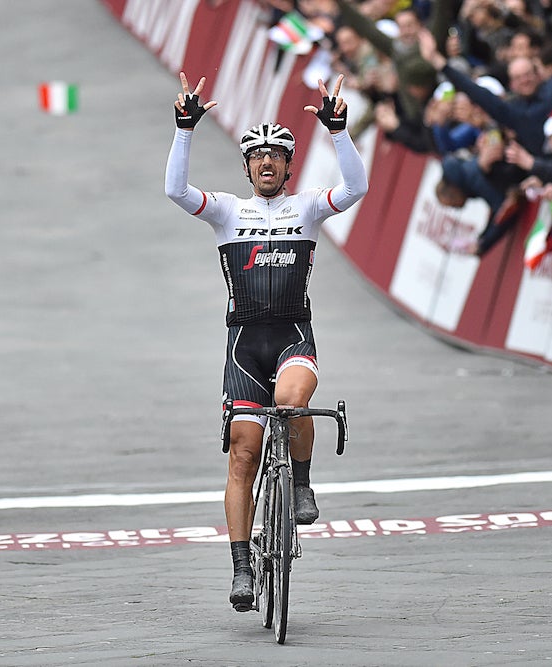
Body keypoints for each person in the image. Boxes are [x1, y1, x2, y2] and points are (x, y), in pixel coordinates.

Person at [165, 72, 368, 611]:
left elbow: (355, 189)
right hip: (243, 348)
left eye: (277, 155)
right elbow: (175, 191)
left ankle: (301, 482)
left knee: (292, 400)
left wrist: (340, 132)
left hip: (292, 337)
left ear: (288, 164)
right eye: (258, 156)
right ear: (248, 167)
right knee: (242, 456)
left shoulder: (307, 208)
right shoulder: (229, 211)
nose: (268, 163)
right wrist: (184, 130)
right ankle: (240, 569)